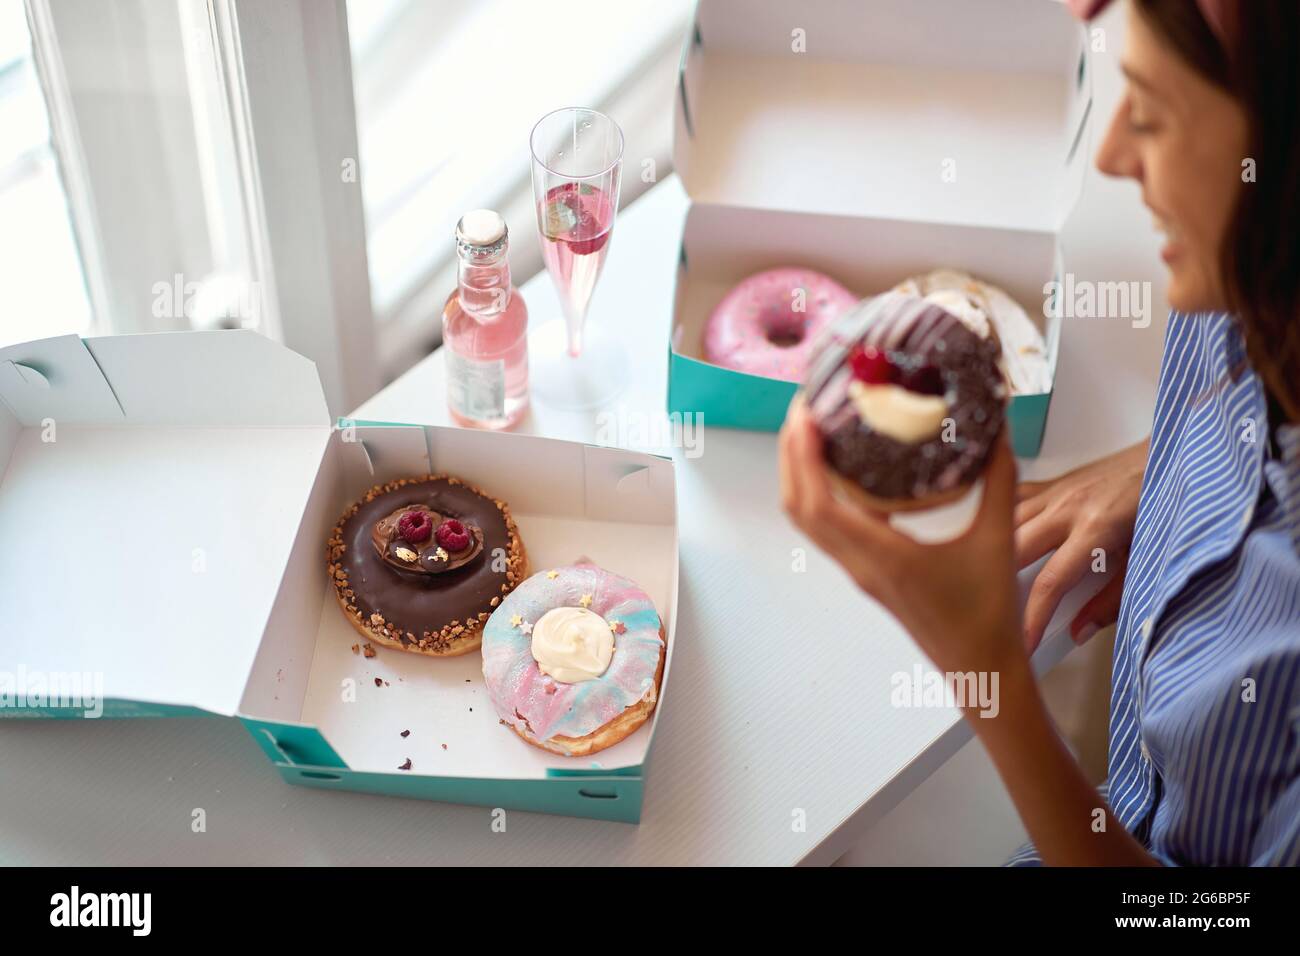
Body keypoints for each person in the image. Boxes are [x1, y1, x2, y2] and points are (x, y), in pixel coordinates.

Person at [779, 0, 1300, 865]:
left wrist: (983, 667)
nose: (1110, 154)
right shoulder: (1246, 273)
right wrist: (1165, 459)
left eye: (1154, 113)